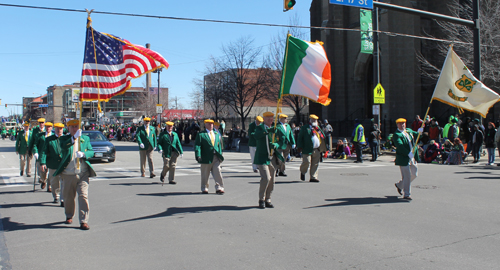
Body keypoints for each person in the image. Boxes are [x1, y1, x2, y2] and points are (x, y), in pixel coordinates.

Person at [53, 119, 96, 230]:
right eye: (72, 127)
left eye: (76, 126)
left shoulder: (85, 139)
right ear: (68, 128)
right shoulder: (63, 139)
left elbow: (91, 151)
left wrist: (84, 154)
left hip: (83, 173)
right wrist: (73, 139)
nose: (74, 128)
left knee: (83, 196)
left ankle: (84, 221)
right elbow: (63, 147)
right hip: (68, 173)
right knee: (68, 197)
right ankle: (69, 215)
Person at [253, 112, 283, 208]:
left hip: (272, 157)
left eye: (272, 119)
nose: (271, 120)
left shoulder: (275, 129)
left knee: (272, 180)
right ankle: (261, 199)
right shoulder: (260, 128)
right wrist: (267, 131)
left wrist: (276, 145)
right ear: (264, 119)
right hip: (262, 157)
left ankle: (268, 199)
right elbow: (256, 135)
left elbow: (280, 141)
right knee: (266, 178)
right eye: (268, 119)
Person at [393, 118, 423, 200]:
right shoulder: (396, 134)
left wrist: (420, 132)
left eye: (403, 123)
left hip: (412, 156)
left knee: (414, 174)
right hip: (404, 158)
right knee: (407, 176)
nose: (402, 125)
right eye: (400, 124)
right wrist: (407, 153)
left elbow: (417, 136)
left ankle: (400, 185)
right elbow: (400, 146)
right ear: (397, 125)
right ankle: (407, 194)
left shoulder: (408, 131)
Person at [194, 119, 225, 194]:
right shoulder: (201, 134)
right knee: (205, 173)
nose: (211, 125)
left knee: (218, 172)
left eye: (212, 124)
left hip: (215, 157)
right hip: (205, 157)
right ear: (205, 125)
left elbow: (219, 146)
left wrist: (220, 155)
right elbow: (197, 146)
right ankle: (204, 187)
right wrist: (198, 155)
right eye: (209, 124)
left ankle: (219, 187)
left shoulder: (216, 134)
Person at [40, 123, 64, 204]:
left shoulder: (66, 138)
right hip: (53, 164)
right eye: (57, 129)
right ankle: (56, 196)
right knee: (54, 182)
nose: (59, 130)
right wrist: (42, 162)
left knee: (64, 183)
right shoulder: (49, 139)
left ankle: (63, 199)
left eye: (60, 129)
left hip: (64, 165)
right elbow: (43, 152)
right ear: (55, 129)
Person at [297, 114, 326, 182]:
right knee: (306, 162)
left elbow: (323, 137)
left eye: (315, 120)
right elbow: (300, 138)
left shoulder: (318, 129)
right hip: (307, 148)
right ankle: (303, 171)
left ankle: (313, 177)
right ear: (310, 120)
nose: (314, 121)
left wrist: (323, 148)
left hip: (317, 149)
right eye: (313, 120)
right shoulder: (305, 128)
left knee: (315, 163)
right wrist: (299, 146)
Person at [33, 122, 53, 191]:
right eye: (47, 127)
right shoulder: (40, 135)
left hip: (51, 157)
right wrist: (35, 152)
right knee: (42, 171)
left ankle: (49, 186)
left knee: (51, 172)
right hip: (42, 156)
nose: (48, 128)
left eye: (49, 127)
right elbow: (35, 144)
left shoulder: (53, 136)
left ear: (51, 128)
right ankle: (44, 180)